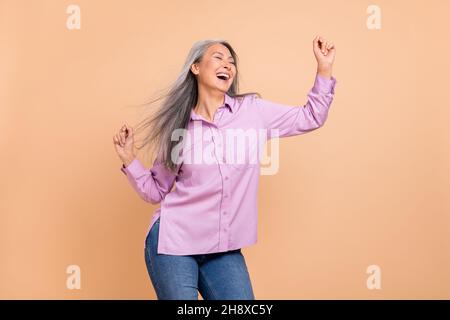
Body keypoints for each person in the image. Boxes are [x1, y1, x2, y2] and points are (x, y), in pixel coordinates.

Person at [113, 36, 337, 300]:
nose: (228, 65)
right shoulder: (179, 128)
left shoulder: (253, 111)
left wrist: (324, 68)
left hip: (223, 249)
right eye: (218, 58)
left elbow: (311, 116)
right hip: (173, 242)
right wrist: (129, 158)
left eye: (232, 62)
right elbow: (155, 191)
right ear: (195, 68)